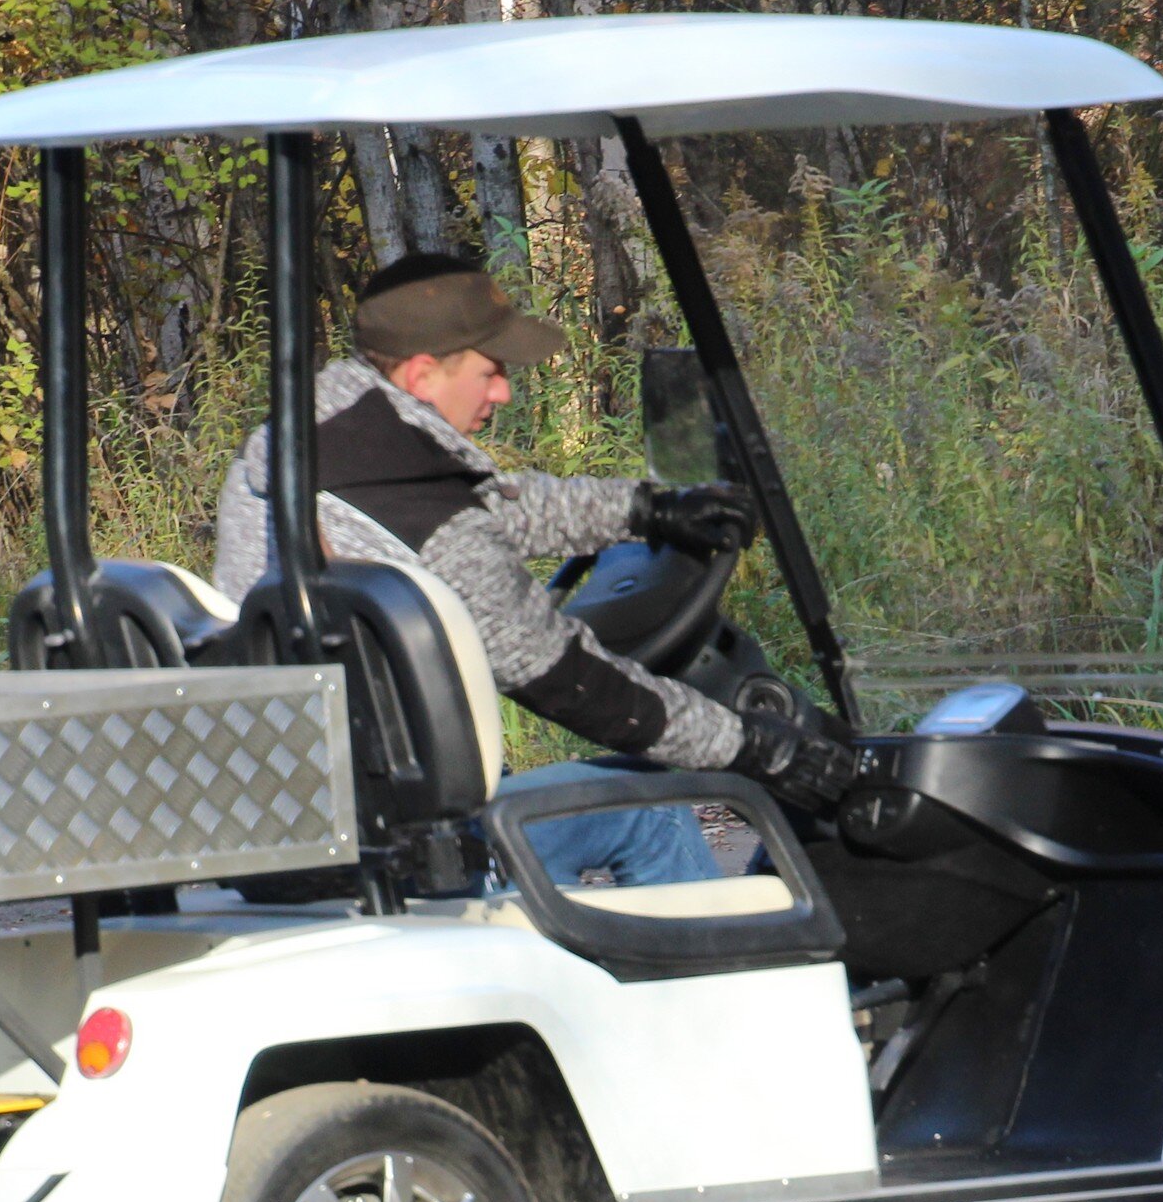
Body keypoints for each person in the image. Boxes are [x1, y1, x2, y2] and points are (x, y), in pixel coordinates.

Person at [208, 252, 854, 883]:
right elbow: (563, 677)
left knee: (620, 787)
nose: (505, 390)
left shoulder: (318, 442)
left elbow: (490, 508)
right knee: (652, 815)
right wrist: (749, 746)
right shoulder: (415, 501)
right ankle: (726, 986)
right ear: (423, 374)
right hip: (400, 849)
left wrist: (647, 507)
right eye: (490, 371)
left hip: (311, 818)